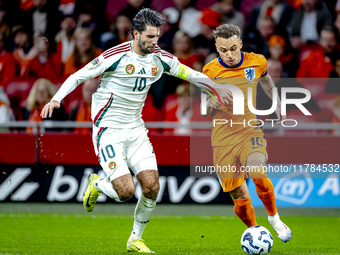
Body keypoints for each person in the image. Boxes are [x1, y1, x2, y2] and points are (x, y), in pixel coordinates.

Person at [40, 8, 225, 253]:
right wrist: (56, 99)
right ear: (135, 34)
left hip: (136, 129)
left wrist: (214, 87)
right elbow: (78, 76)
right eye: (149, 37)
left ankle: (135, 239)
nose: (154, 42)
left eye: (157, 36)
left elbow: (188, 74)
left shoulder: (160, 57)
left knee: (151, 187)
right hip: (109, 129)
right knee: (125, 191)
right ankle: (96, 185)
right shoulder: (116, 55)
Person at [201, 24, 292, 243]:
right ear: (216, 47)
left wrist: (276, 100)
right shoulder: (209, 71)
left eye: (233, 48)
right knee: (239, 199)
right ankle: (255, 230)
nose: (229, 55)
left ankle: (274, 218)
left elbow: (266, 80)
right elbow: (205, 107)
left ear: (240, 43)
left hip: (250, 131)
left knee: (258, 172)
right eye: (223, 50)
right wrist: (214, 100)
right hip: (223, 140)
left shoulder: (257, 61)